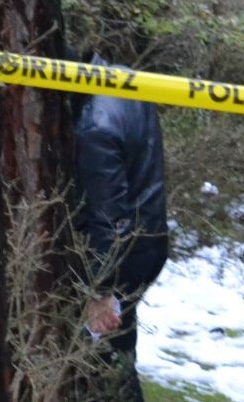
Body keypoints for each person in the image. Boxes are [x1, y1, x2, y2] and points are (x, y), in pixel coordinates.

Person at [75, 71, 170, 402]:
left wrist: (101, 289)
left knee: (103, 373)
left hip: (119, 259)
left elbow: (109, 219)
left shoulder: (95, 127)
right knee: (118, 365)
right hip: (146, 245)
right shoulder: (125, 84)